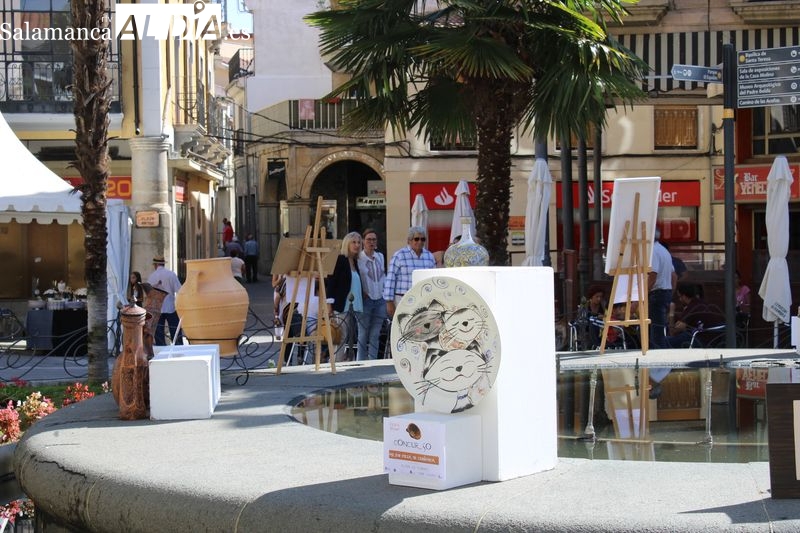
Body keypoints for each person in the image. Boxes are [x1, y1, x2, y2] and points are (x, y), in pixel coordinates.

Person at [383, 226, 437, 319]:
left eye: (422, 239)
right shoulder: (399, 255)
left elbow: (433, 278)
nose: (420, 242)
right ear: (409, 240)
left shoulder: (429, 256)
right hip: (402, 299)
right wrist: (389, 302)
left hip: (423, 299)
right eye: (416, 239)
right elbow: (390, 279)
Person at [326, 231, 364, 361]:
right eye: (354, 242)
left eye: (359, 242)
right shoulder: (340, 259)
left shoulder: (354, 261)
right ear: (347, 244)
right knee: (341, 335)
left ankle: (345, 360)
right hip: (342, 304)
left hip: (355, 305)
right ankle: (336, 363)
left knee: (350, 336)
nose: (357, 245)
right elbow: (331, 282)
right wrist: (329, 304)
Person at [356, 228, 387, 360]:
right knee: (363, 333)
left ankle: (373, 361)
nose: (371, 242)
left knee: (375, 334)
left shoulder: (380, 256)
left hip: (380, 299)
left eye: (374, 239)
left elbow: (383, 276)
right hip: (366, 299)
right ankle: (361, 362)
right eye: (369, 239)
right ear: (363, 241)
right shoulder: (359, 258)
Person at [649, 228, 677, 349]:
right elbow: (674, 276)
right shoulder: (664, 250)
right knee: (660, 329)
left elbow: (652, 276)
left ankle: (660, 361)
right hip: (666, 292)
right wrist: (670, 292)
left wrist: (642, 296)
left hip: (657, 293)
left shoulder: (653, 251)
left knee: (657, 333)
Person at [147, 255, 183, 346]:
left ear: (155, 265)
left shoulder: (151, 277)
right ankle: (178, 348)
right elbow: (179, 290)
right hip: (171, 306)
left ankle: (161, 350)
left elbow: (149, 294)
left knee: (159, 333)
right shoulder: (171, 274)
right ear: (163, 264)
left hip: (158, 307)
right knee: (175, 330)